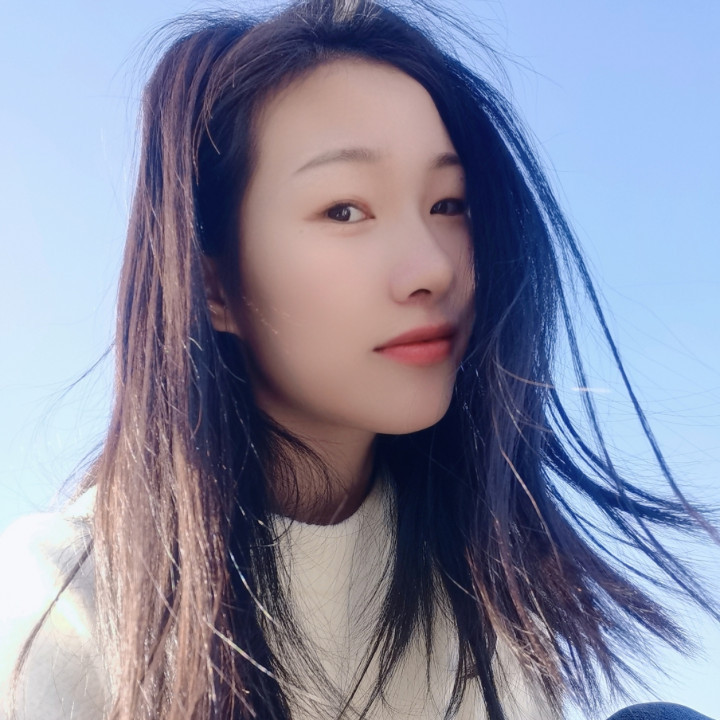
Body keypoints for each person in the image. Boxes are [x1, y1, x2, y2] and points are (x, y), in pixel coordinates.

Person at [0, 1, 717, 719]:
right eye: (345, 210)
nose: (432, 268)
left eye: (449, 204)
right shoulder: (58, 605)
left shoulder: (485, 582)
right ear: (213, 285)